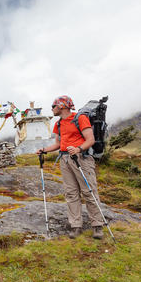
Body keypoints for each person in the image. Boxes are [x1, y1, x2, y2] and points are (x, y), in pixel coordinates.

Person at [36, 96, 104, 239]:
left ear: (62, 106)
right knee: (71, 193)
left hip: (81, 158)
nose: (52, 108)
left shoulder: (80, 118)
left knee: (89, 191)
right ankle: (75, 226)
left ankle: (97, 226)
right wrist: (44, 150)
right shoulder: (58, 124)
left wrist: (78, 149)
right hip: (65, 159)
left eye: (53, 105)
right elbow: (58, 144)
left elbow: (90, 140)